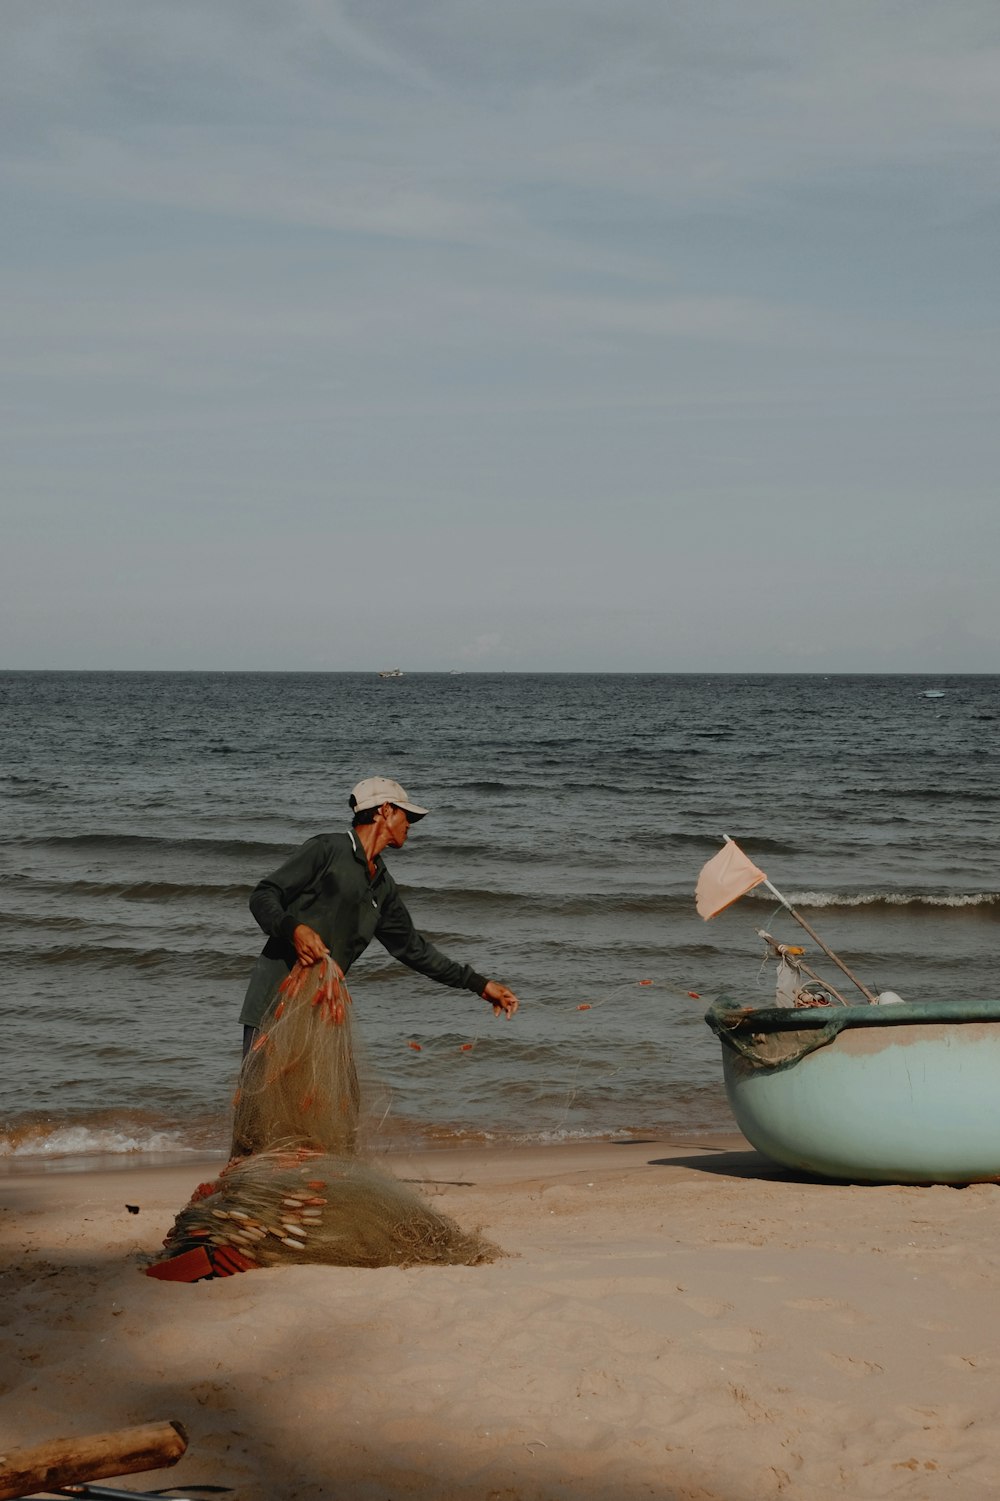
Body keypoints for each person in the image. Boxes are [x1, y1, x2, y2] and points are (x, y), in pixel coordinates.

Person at [239, 776, 520, 1051]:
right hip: (274, 1003)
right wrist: (294, 929)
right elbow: (263, 895)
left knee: (341, 1097)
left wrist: (480, 985)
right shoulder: (328, 849)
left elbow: (414, 950)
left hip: (322, 1008)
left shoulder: (382, 885)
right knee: (261, 1095)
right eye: (406, 815)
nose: (410, 824)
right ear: (385, 810)